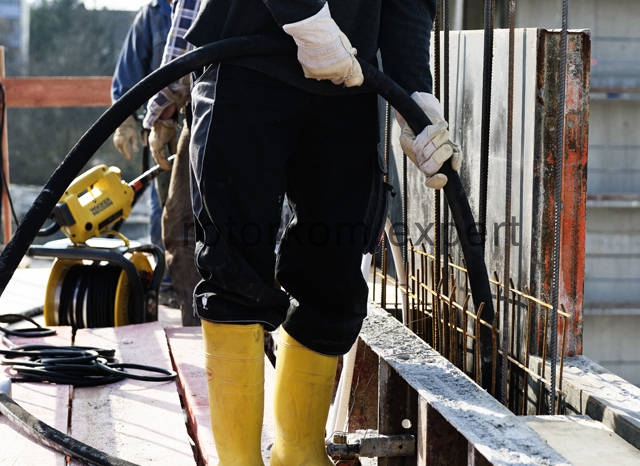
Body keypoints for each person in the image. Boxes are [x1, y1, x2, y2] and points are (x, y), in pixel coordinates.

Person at [184, 1, 461, 464]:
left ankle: (298, 454)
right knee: (235, 268)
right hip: (247, 61)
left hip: (346, 77)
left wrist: (416, 96)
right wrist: (306, 19)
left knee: (334, 268)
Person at [143, 0, 202, 326]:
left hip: (214, 112)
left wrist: (161, 114)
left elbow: (182, 49)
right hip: (284, 111)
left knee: (181, 226)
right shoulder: (148, 16)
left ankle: (204, 331)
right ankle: (257, 328)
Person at [111, 0, 173, 289]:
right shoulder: (153, 13)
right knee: (165, 205)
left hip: (209, 121)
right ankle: (167, 283)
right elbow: (128, 75)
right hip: (165, 131)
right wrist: (124, 120)